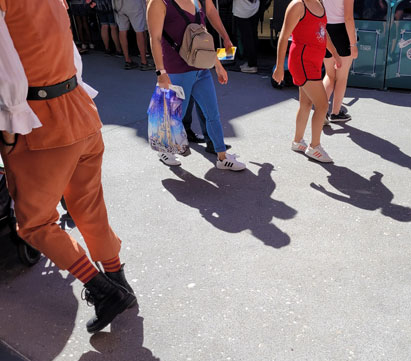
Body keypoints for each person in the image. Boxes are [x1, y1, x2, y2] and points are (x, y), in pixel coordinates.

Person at [0, 0, 137, 334]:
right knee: (89, 207)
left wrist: (7, 133)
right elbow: (69, 52)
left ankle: (104, 290)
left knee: (33, 224)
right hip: (78, 108)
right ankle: (118, 281)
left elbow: (4, 70)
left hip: (38, 123)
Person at [147, 0, 246, 170]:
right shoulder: (159, 3)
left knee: (212, 113)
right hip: (177, 70)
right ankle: (165, 151)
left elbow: (202, 35)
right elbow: (154, 39)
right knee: (175, 118)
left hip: (201, 68)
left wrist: (218, 64)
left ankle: (222, 156)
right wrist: (160, 72)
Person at [272, 0, 342, 163]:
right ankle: (314, 146)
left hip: (314, 61)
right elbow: (283, 36)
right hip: (302, 61)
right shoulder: (298, 5)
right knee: (323, 105)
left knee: (305, 104)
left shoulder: (318, 3)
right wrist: (279, 67)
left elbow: (323, 32)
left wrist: (336, 54)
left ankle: (297, 142)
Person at [322, 0, 357, 123]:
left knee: (329, 74)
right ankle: (335, 113)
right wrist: (353, 44)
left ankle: (322, 113)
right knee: (341, 77)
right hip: (342, 32)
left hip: (325, 30)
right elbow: (348, 18)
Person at [113, 0, 155, 70]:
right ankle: (144, 61)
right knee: (139, 30)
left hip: (118, 4)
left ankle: (127, 60)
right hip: (133, 3)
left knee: (122, 30)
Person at [233, 0, 260, 73]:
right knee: (253, 35)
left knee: (247, 38)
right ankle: (252, 63)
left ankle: (252, 64)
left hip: (242, 10)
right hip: (255, 7)